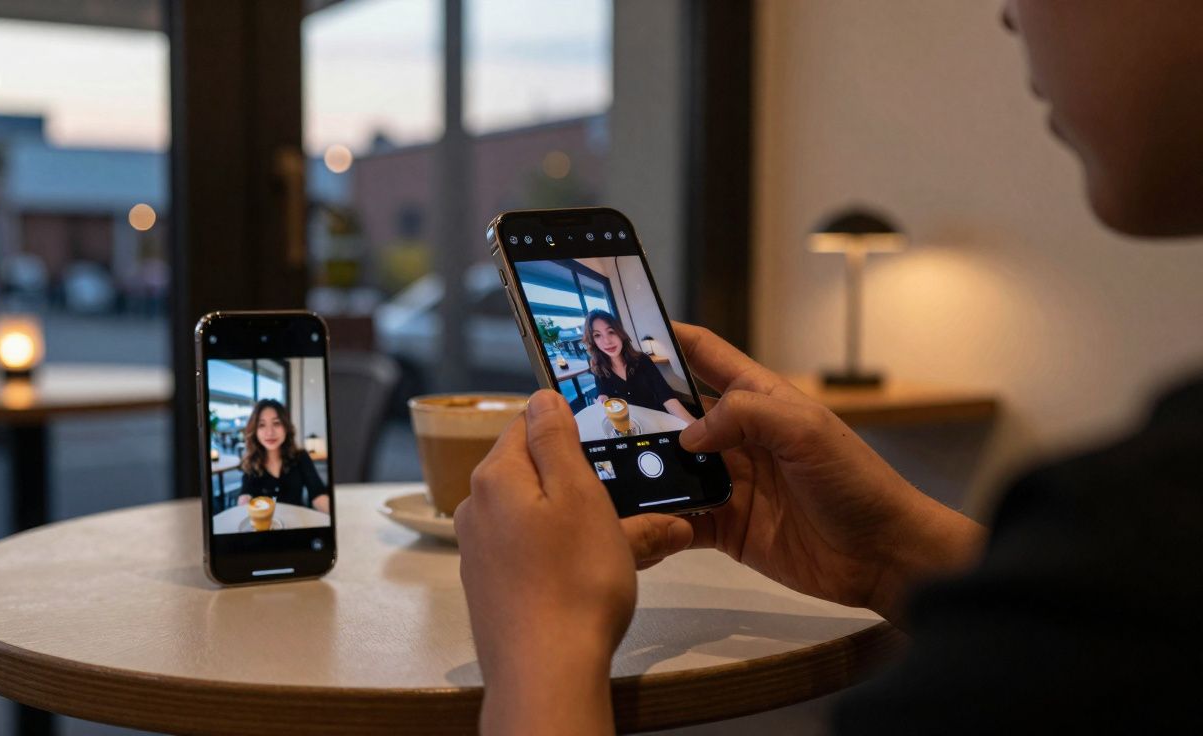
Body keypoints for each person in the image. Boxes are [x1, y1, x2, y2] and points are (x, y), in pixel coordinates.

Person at [454, 2, 1203, 734]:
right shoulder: (1134, 565)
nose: (1009, 14)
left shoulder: (1143, 536)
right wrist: (886, 554)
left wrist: (544, 647)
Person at [583, 310, 696, 425]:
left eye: (611, 332)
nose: (607, 341)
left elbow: (666, 396)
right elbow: (603, 393)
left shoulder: (642, 360)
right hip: (628, 426)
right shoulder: (599, 368)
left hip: (656, 421)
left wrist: (693, 424)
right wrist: (602, 399)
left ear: (620, 333)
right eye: (597, 335)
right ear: (593, 342)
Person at [235, 399, 331, 515]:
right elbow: (245, 494)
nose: (270, 432)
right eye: (262, 425)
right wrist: (243, 503)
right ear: (255, 431)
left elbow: (318, 494)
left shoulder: (300, 457)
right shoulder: (251, 462)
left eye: (276, 423)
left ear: (286, 427)